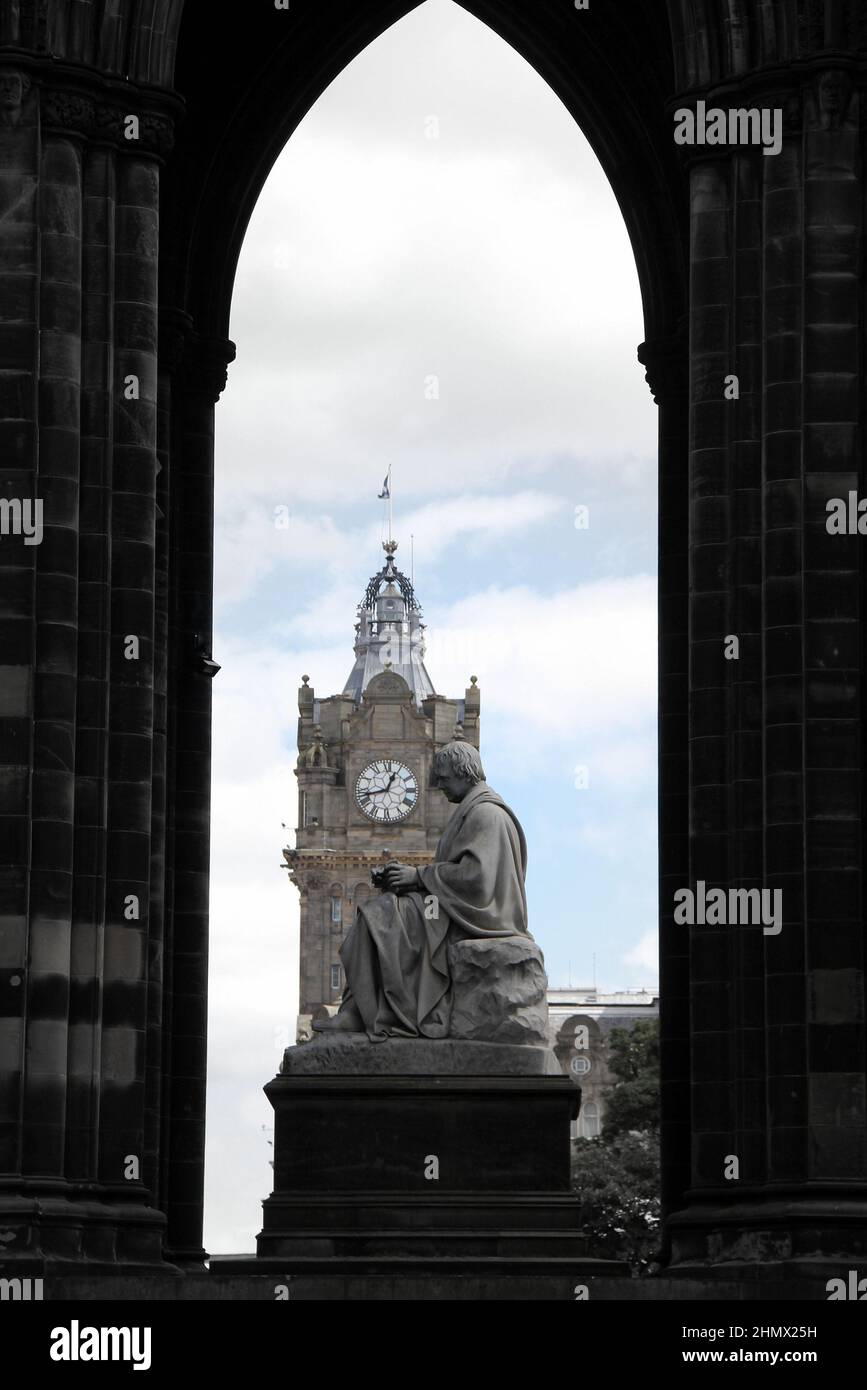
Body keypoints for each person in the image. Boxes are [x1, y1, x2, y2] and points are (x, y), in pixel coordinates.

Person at [314, 740, 529, 1041]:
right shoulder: (472, 810)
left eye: (443, 777)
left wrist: (417, 876)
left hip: (481, 916)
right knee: (383, 911)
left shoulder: (485, 814)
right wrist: (409, 879)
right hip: (461, 908)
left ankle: (368, 1012)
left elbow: (477, 878)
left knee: (380, 916)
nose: (439, 785)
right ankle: (360, 1010)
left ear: (463, 772)